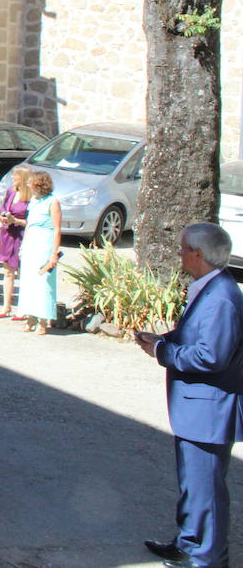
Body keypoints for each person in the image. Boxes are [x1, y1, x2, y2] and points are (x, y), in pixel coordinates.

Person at [137, 223, 243, 568]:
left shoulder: (221, 298)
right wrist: (163, 339)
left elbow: (210, 356)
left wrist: (162, 351)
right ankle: (187, 544)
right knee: (194, 488)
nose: (180, 254)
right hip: (197, 411)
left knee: (207, 492)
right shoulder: (210, 288)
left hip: (208, 413)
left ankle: (209, 559)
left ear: (198, 254)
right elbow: (192, 335)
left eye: (183, 249)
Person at [15, 169, 60, 334]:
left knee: (44, 282)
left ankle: (43, 320)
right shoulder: (33, 201)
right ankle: (31, 316)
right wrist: (22, 246)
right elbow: (29, 224)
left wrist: (54, 253)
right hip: (31, 242)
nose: (28, 184)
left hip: (45, 243)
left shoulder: (53, 202)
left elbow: (56, 229)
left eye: (31, 181)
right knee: (29, 281)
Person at [0, 166, 32, 319]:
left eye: (15, 177)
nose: (12, 179)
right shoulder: (11, 191)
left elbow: (31, 221)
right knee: (8, 271)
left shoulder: (30, 198)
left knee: (23, 272)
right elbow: (3, 208)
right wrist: (3, 217)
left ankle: (23, 308)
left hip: (22, 235)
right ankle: (6, 306)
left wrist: (15, 220)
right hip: (8, 234)